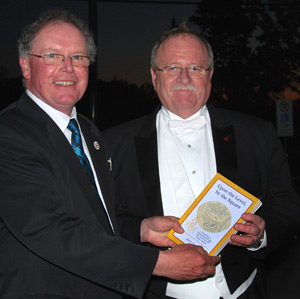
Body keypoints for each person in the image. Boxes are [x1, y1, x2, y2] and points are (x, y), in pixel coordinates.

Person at [0, 11, 221, 298]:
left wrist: (141, 228)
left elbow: (100, 215)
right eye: (53, 56)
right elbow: (50, 231)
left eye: (78, 57)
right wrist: (158, 263)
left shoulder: (90, 134)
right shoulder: (10, 135)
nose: (68, 68)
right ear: (26, 66)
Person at [103, 23, 300, 299]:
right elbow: (102, 220)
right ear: (153, 76)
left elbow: (287, 203)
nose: (184, 78)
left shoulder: (257, 133)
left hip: (243, 291)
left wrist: (262, 233)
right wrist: (141, 229)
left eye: (195, 68)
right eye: (172, 68)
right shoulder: (113, 144)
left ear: (210, 75)